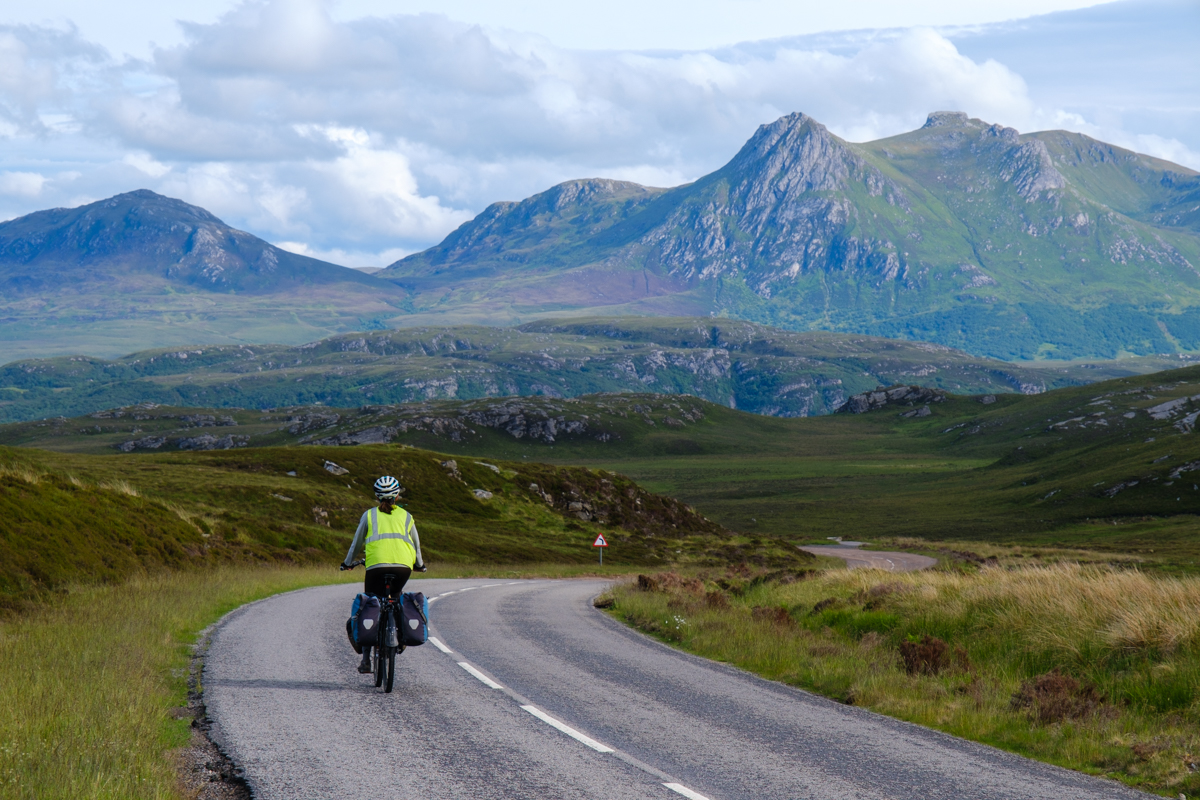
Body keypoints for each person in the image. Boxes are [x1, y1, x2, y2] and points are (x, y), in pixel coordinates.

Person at [341, 475, 427, 673]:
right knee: (395, 598)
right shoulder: (406, 516)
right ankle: (400, 636)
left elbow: (356, 544)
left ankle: (365, 660)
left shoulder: (369, 515)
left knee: (370, 602)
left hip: (375, 568)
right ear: (396, 495)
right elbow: (416, 544)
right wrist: (420, 565)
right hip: (403, 567)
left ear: (377, 496)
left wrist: (347, 563)